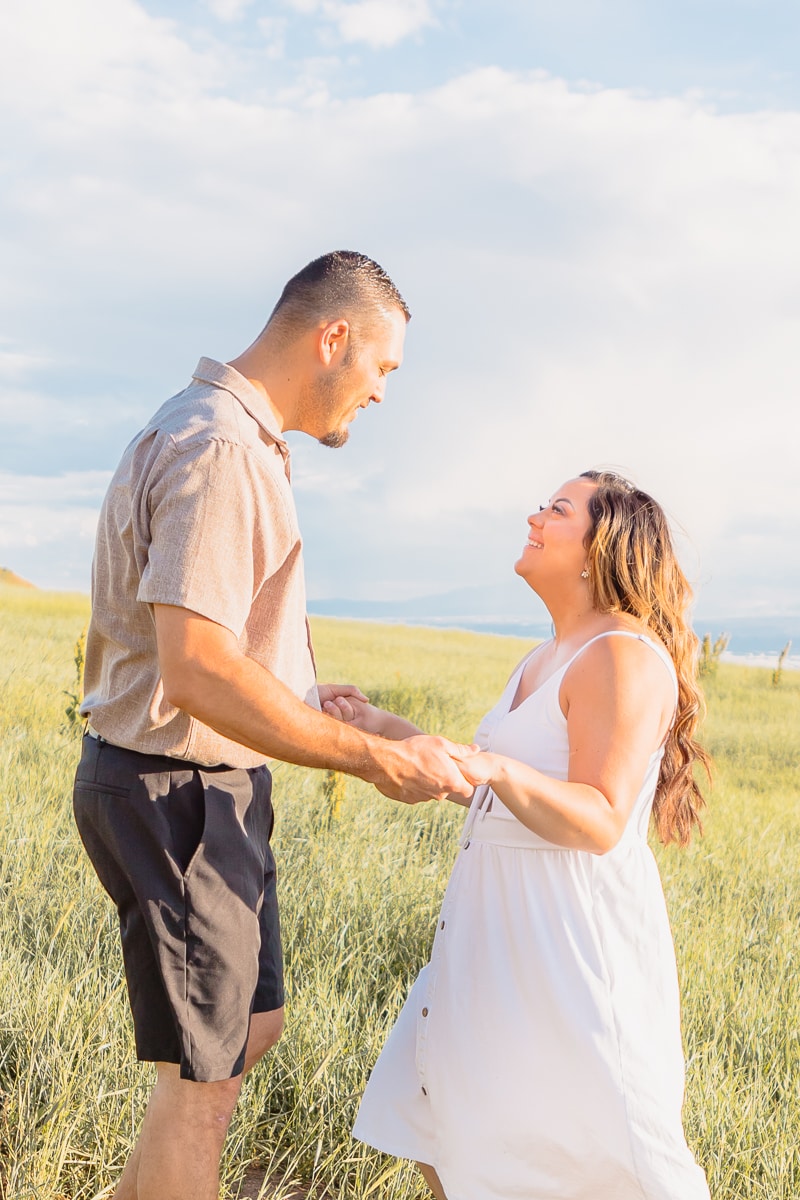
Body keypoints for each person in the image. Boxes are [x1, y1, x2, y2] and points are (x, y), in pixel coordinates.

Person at [72, 250, 473, 1200]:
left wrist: (303, 693)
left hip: (213, 792)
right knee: (202, 1095)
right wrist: (369, 757)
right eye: (383, 369)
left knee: (250, 1031)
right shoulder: (221, 449)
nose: (380, 394)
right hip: (177, 792)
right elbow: (198, 669)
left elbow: (224, 651)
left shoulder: (232, 439)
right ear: (334, 339)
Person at [328, 470, 712, 1200]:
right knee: (439, 1117)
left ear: (600, 547)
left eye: (558, 509)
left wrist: (497, 768)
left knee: (607, 1155)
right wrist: (382, 730)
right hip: (491, 935)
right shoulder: (546, 655)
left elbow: (599, 816)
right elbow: (497, 789)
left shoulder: (621, 657)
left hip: (567, 944)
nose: (534, 516)